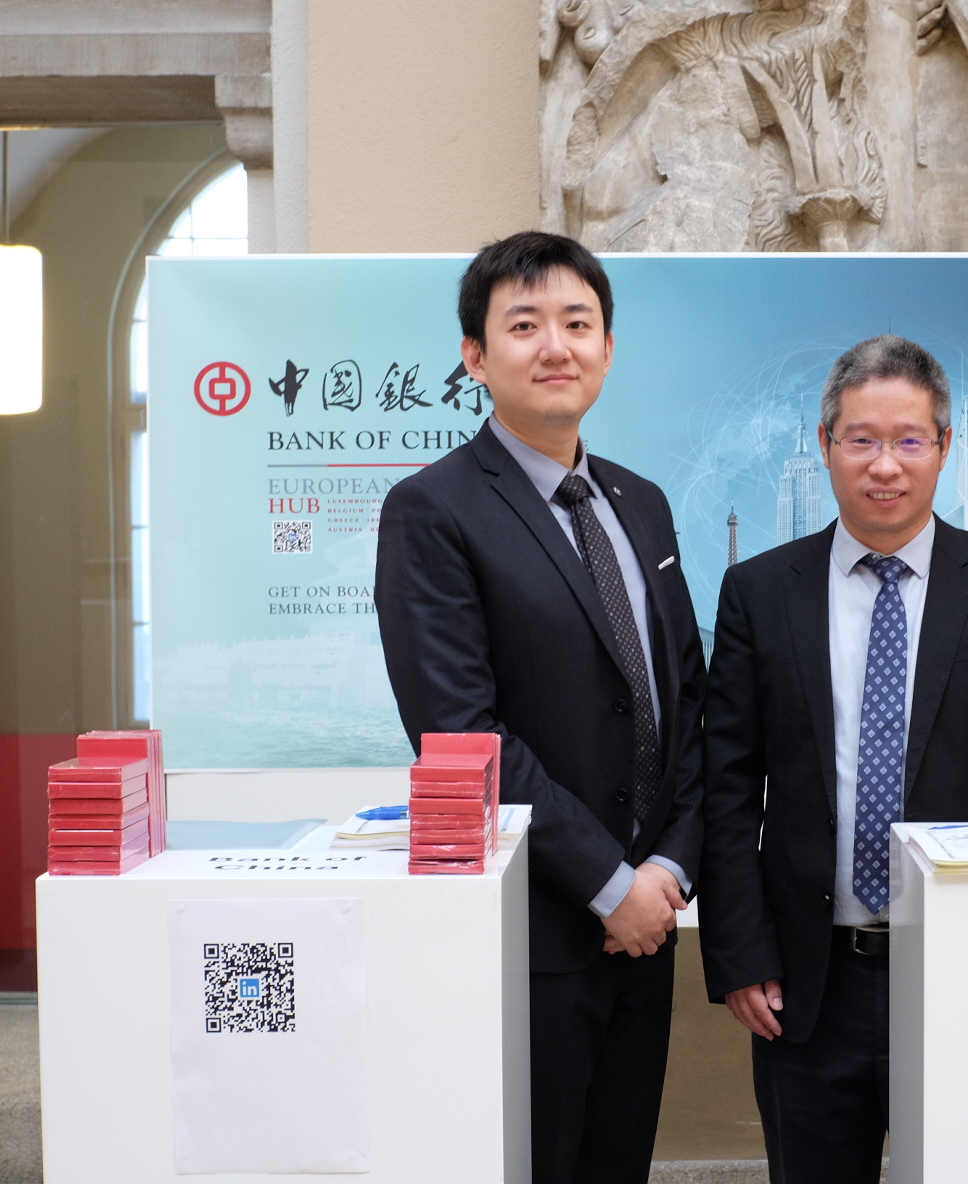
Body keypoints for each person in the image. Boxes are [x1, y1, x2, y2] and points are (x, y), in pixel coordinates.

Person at [698, 334, 968, 1184]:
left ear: (944, 447)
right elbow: (728, 786)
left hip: (962, 971)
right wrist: (740, 954)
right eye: (861, 439)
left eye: (909, 440)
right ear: (826, 443)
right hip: (805, 986)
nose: (884, 465)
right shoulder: (761, 592)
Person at [375, 232, 703, 1184]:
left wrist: (667, 871)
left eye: (577, 323)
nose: (556, 346)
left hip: (648, 925)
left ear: (608, 347)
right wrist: (608, 883)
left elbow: (690, 700)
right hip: (536, 928)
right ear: (475, 357)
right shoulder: (433, 510)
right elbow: (462, 733)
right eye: (524, 326)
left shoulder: (641, 502)